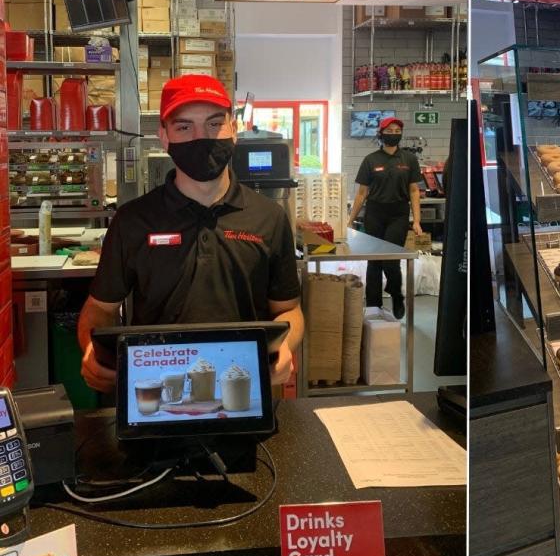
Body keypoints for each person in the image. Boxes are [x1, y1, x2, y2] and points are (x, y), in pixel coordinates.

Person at [78, 74, 304, 393]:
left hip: (244, 395)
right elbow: (100, 309)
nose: (202, 138)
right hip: (157, 399)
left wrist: (285, 346)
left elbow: (289, 309)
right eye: (185, 127)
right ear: (164, 137)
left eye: (214, 124)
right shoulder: (132, 221)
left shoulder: (270, 218)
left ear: (234, 130)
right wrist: (93, 350)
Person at [347, 117, 423, 320]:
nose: (394, 132)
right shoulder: (371, 160)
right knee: (374, 261)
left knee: (391, 258)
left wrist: (416, 220)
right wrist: (349, 220)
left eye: (397, 129)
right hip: (374, 214)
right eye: (389, 130)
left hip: (398, 214)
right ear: (381, 133)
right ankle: (373, 305)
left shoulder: (409, 159)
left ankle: (396, 294)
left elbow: (414, 191)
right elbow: (362, 194)